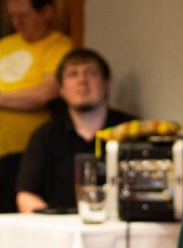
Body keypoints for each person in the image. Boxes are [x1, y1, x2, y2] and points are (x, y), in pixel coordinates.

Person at [0, 0, 73, 216]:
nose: (17, 22)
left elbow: (44, 95)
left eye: (24, 15)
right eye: (12, 15)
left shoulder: (59, 46)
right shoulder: (2, 46)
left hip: (25, 159)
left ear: (47, 12)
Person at [15, 48, 135, 213]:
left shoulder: (132, 131)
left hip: (119, 225)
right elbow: (27, 195)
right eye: (73, 74)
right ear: (61, 89)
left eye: (91, 73)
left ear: (106, 84)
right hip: (59, 226)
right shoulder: (44, 135)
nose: (82, 80)